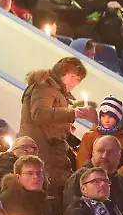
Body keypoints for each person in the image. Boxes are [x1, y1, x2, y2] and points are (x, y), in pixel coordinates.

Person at [20, 57, 96, 195]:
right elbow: (39, 113)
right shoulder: (45, 86)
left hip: (50, 149)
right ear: (62, 72)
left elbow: (50, 119)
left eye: (78, 80)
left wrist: (65, 127)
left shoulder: (55, 90)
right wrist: (73, 113)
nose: (74, 82)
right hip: (42, 148)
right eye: (72, 76)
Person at [76, 96, 123, 179]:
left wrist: (121, 174)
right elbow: (82, 158)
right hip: (93, 178)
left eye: (111, 117)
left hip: (116, 178)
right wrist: (89, 175)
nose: (106, 120)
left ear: (117, 118)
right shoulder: (90, 136)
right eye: (103, 116)